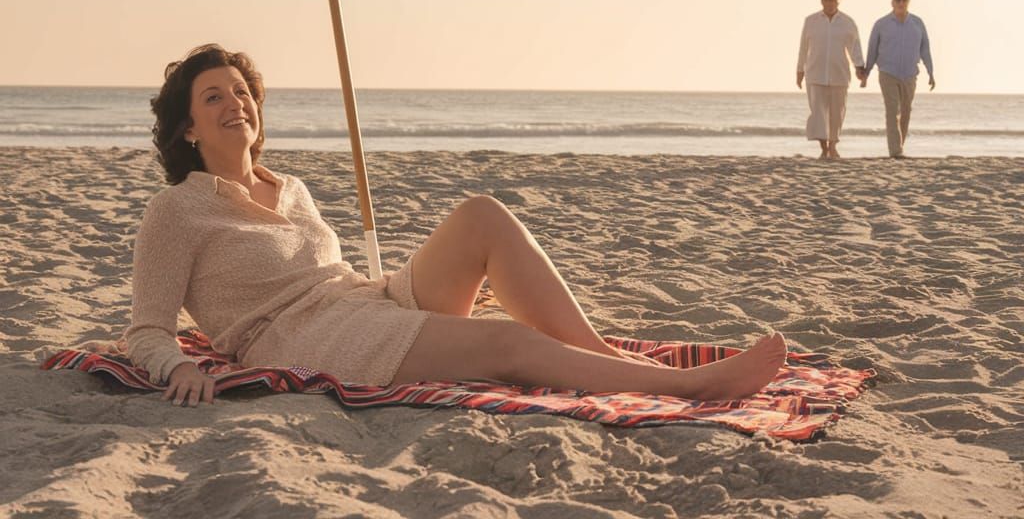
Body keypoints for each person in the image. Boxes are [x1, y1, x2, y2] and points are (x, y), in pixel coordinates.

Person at [127, 44, 787, 407]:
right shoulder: (177, 210)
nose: (235, 102)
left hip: (363, 299)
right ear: (187, 126)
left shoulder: (289, 186)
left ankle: (607, 360)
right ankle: (691, 385)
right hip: (302, 339)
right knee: (501, 344)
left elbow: (332, 276)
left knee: (481, 215)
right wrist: (174, 369)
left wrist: (382, 289)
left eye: (242, 91)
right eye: (214, 96)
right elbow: (148, 329)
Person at [861, 0, 935, 158]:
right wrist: (867, 72)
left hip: (910, 74)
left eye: (904, 0)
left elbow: (925, 49)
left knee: (906, 111)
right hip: (888, 73)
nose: (901, 3)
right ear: (892, 2)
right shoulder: (881, 24)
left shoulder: (917, 23)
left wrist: (931, 72)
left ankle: (899, 146)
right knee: (892, 110)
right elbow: (872, 49)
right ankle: (895, 150)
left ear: (908, 2)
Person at [796, 0, 865, 160]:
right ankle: (824, 147)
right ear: (821, 1)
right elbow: (803, 48)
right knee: (818, 114)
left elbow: (855, 48)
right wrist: (799, 70)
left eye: (832, 0)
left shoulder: (848, 22)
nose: (829, 3)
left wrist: (859, 67)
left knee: (837, 113)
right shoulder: (810, 21)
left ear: (838, 1)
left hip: (839, 74)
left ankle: (833, 146)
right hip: (815, 74)